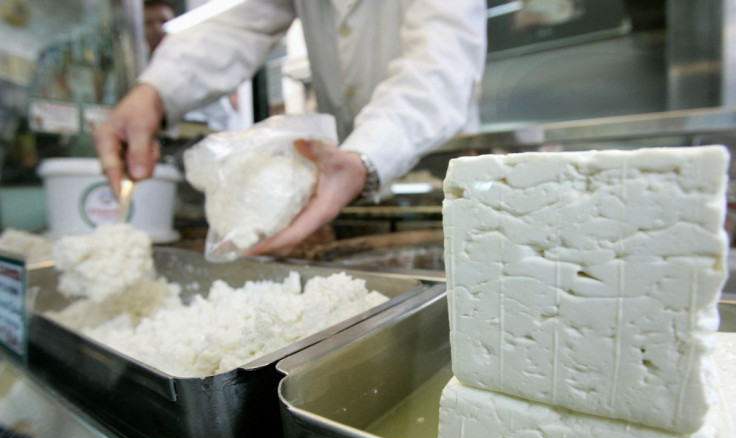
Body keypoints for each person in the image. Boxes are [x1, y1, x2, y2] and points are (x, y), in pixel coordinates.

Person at [94, 0, 487, 256]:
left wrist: (367, 154)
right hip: (340, 177)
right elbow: (237, 22)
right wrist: (154, 91)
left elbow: (442, 65)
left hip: (438, 174)